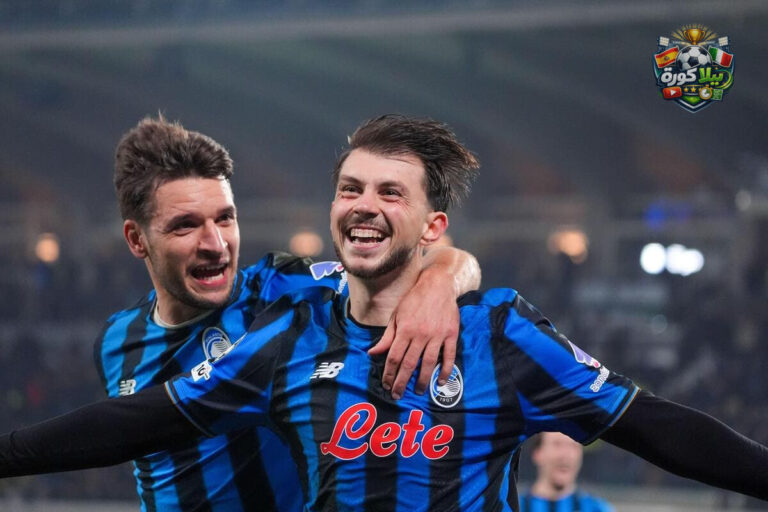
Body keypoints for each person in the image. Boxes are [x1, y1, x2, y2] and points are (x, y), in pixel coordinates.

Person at [1, 115, 767, 512]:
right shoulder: (289, 336)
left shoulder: (501, 333)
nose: (364, 205)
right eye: (351, 189)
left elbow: (651, 423)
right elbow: (143, 419)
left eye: (390, 193)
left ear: (434, 227)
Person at [92, 116, 481, 511]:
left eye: (225, 218)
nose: (216, 244)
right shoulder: (115, 342)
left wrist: (440, 282)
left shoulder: (287, 290)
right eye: (185, 226)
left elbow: (431, 258)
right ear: (137, 239)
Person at [519, 432, 612, 512]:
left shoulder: (596, 509)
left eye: (573, 445)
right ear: (537, 453)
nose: (566, 455)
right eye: (557, 444)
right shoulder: (516, 507)